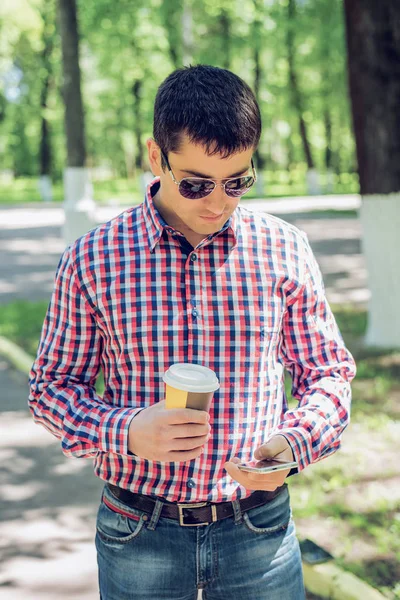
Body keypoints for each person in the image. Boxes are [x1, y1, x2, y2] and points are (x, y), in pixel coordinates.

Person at [29, 64, 356, 600]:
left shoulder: (285, 249)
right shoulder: (93, 259)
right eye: (197, 182)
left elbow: (329, 373)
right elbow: (50, 390)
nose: (219, 202)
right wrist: (129, 431)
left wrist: (292, 443)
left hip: (260, 531)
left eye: (238, 181)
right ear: (156, 157)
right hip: (137, 532)